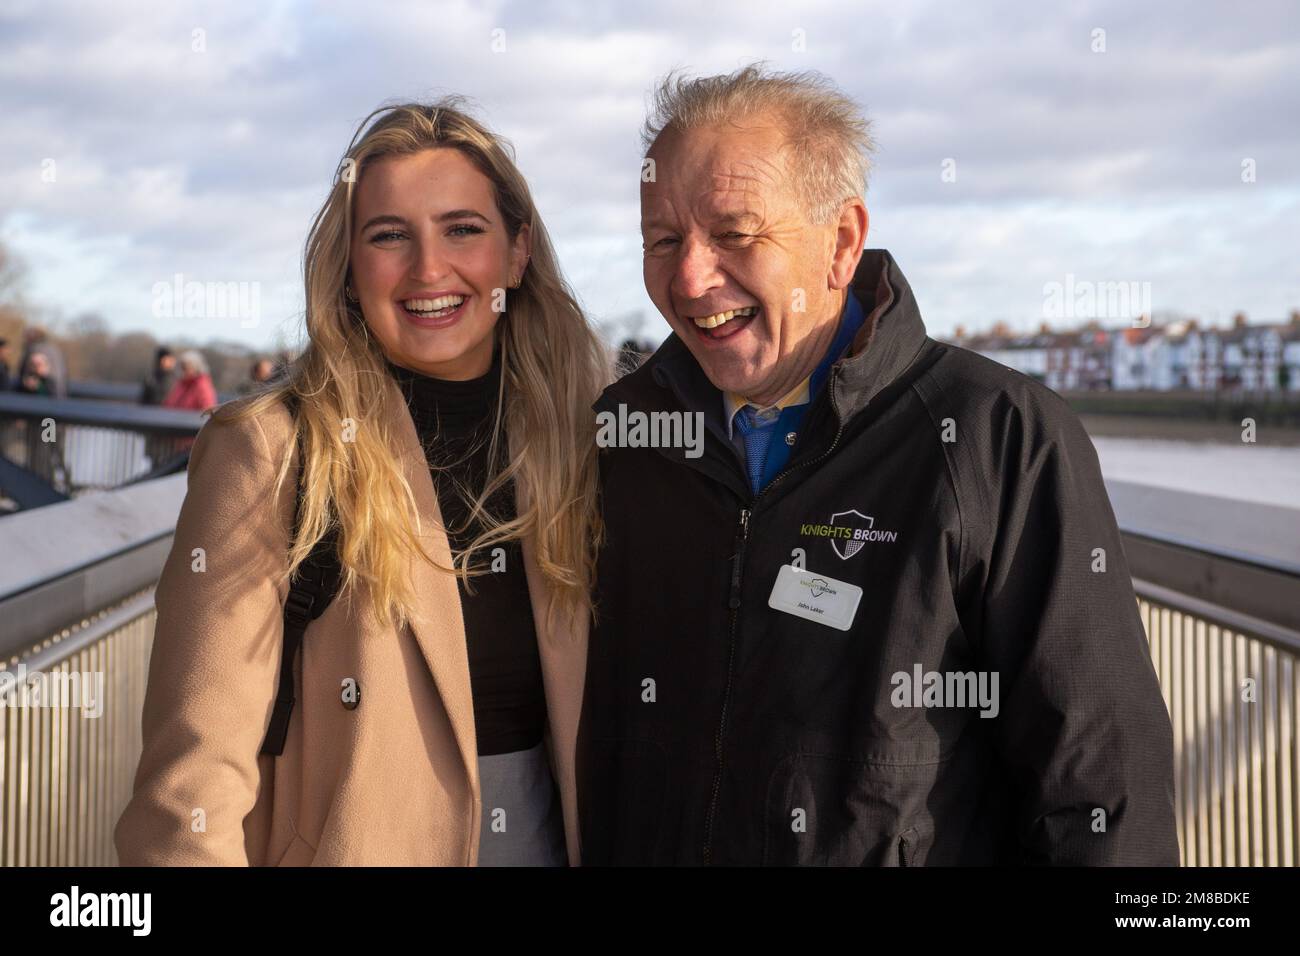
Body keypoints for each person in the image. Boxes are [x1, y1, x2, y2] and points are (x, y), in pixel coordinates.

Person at [576, 66, 1179, 866]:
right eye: (662, 240)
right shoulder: (626, 438)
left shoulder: (996, 436)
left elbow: (1100, 785)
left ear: (842, 241)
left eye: (734, 233)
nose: (689, 277)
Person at [115, 100, 608, 866]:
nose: (429, 269)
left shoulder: (583, 442)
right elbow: (194, 778)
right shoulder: (273, 450)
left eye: (462, 229)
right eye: (389, 237)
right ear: (349, 264)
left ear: (517, 253)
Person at [18, 327, 67, 397]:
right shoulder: (55, 350)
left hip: (42, 395)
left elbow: (23, 374)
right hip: (58, 394)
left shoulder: (33, 350)